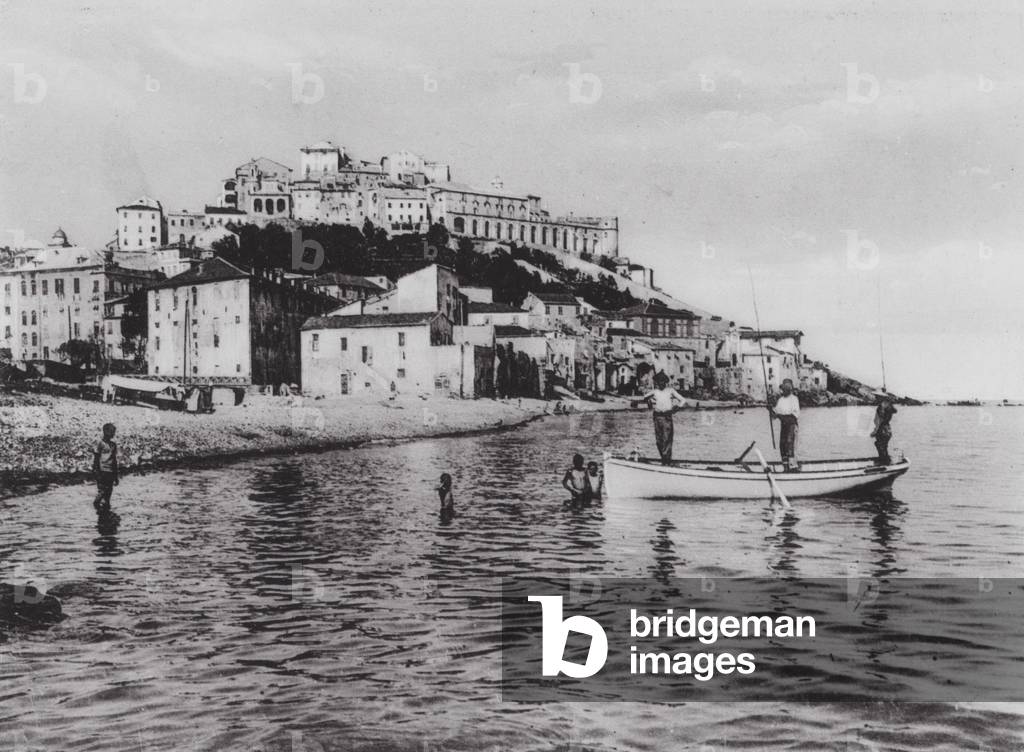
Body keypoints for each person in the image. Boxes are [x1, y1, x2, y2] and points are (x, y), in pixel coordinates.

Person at [636, 372, 687, 464]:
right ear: (657, 382)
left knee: (667, 438)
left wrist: (677, 408)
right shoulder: (655, 391)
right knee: (659, 440)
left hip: (667, 416)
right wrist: (648, 402)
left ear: (666, 382)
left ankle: (666, 460)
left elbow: (683, 400)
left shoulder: (670, 391)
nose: (661, 383)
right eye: (659, 382)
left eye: (663, 381)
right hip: (657, 417)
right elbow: (645, 397)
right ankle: (664, 458)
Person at [769, 379, 800, 471]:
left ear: (790, 389)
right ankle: (786, 468)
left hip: (792, 425)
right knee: (782, 446)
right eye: (783, 388)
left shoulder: (794, 399)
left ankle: (793, 467)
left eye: (786, 388)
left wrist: (778, 415)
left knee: (790, 446)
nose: (784, 390)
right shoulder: (781, 400)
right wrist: (770, 409)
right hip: (784, 426)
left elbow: (794, 416)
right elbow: (775, 415)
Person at [92, 423, 119, 513]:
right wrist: (96, 471)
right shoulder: (100, 443)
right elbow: (96, 458)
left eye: (113, 432)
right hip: (102, 471)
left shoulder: (113, 445)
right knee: (102, 491)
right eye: (111, 432)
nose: (113, 434)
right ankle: (96, 505)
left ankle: (106, 511)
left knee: (109, 491)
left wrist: (116, 475)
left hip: (110, 471)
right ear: (105, 432)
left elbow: (114, 460)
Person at [870, 398, 898, 464]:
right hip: (887, 429)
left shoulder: (881, 408)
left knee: (880, 445)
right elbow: (895, 411)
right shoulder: (890, 407)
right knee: (883, 445)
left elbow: (879, 420)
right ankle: (885, 460)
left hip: (882, 429)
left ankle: (884, 462)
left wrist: (875, 431)